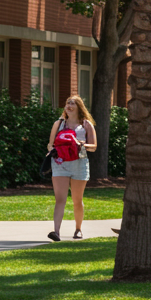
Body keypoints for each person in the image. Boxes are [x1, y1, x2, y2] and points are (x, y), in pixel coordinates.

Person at [46, 95, 97, 242]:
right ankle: (56, 232)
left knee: (77, 200)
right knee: (60, 199)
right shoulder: (59, 124)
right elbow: (50, 144)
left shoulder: (86, 125)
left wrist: (81, 144)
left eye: (73, 103)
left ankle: (78, 229)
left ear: (79, 107)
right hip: (60, 164)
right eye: (68, 103)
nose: (69, 105)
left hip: (79, 164)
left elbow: (94, 147)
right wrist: (52, 150)